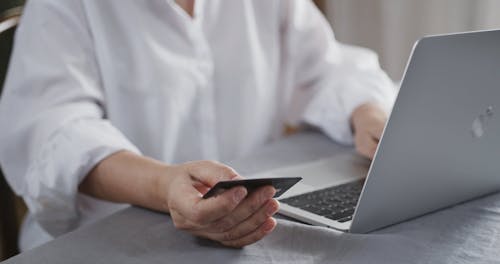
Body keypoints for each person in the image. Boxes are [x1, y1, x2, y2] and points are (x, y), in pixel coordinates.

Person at [0, 0, 396, 250]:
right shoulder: (63, 8)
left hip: (249, 228)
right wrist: (164, 185)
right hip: (108, 241)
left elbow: (327, 67)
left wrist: (366, 113)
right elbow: (54, 133)